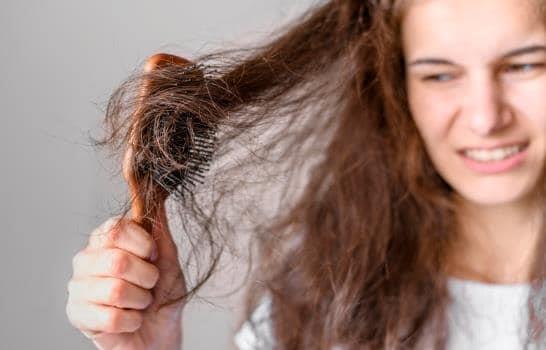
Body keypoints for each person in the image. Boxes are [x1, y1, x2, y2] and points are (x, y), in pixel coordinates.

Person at [65, 0, 546, 348]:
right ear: (398, 88)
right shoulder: (322, 297)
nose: (486, 118)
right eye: (439, 74)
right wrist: (156, 345)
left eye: (525, 65)